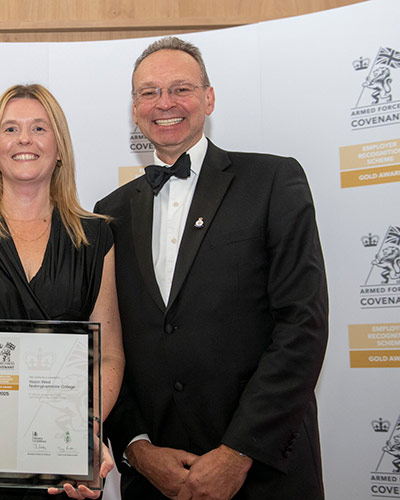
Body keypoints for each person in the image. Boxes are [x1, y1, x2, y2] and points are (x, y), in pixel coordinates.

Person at [94, 37, 329, 500]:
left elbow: (303, 324)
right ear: (135, 108)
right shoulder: (109, 212)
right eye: (148, 92)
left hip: (263, 471)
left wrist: (239, 451)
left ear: (209, 97)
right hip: (158, 477)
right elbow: (108, 343)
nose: (164, 103)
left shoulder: (274, 181)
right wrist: (137, 447)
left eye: (180, 88)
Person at [0, 84, 125, 500]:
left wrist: (89, 430)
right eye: (10, 129)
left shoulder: (97, 236)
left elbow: (110, 353)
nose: (24, 140)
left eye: (39, 128)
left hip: (64, 458)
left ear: (60, 146)